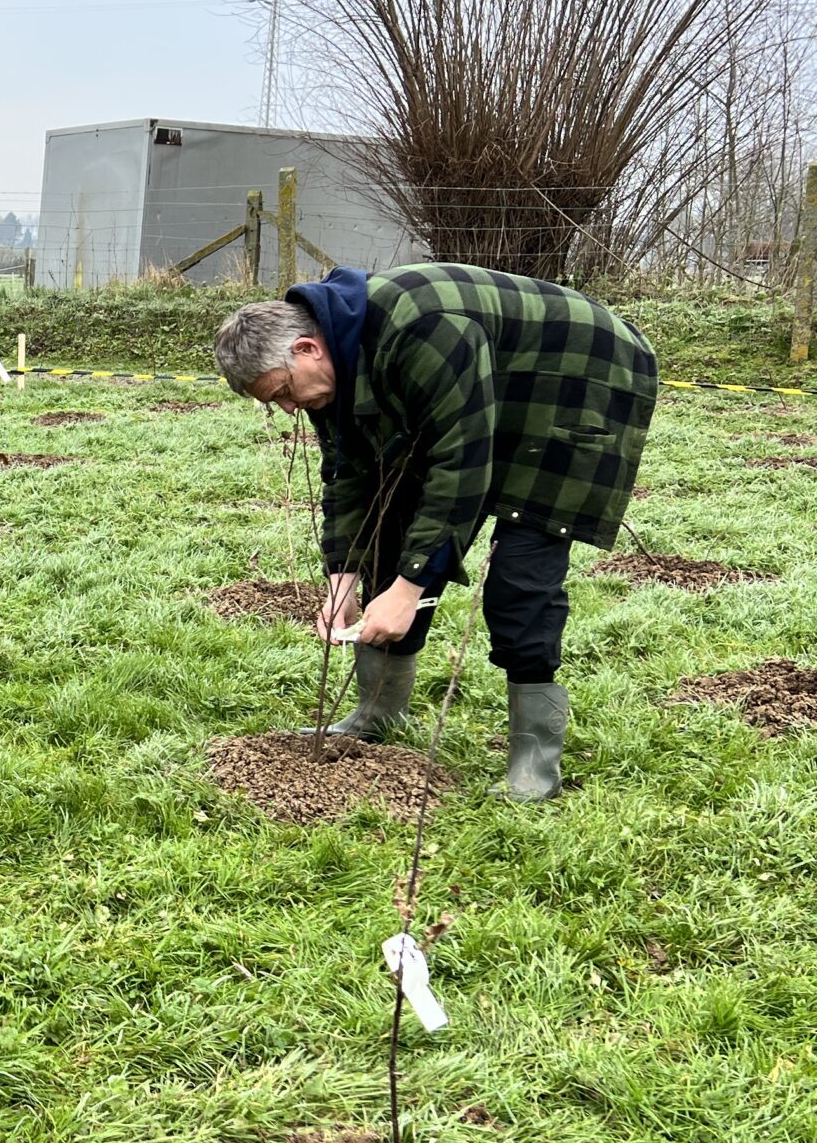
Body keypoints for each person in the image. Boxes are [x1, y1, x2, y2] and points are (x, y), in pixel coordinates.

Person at [212, 264, 657, 801]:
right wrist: (343, 580)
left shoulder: (425, 328)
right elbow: (351, 475)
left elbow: (461, 464)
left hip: (577, 377)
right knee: (389, 524)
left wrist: (408, 590)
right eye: (274, 402)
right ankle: (378, 714)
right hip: (483, 380)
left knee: (521, 575)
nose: (288, 407)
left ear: (307, 348)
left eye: (283, 391)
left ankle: (535, 762)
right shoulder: (332, 371)